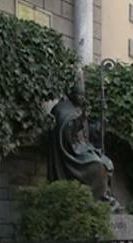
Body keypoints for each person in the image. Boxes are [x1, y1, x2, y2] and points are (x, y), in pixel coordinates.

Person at [49, 69, 119, 211]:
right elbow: (66, 130)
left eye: (82, 96)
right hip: (71, 152)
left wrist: (101, 123)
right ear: (71, 94)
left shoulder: (79, 108)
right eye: (78, 95)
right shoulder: (62, 108)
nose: (81, 98)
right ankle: (95, 202)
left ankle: (104, 198)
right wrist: (79, 120)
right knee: (97, 166)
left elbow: (90, 133)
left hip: (84, 148)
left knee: (107, 163)